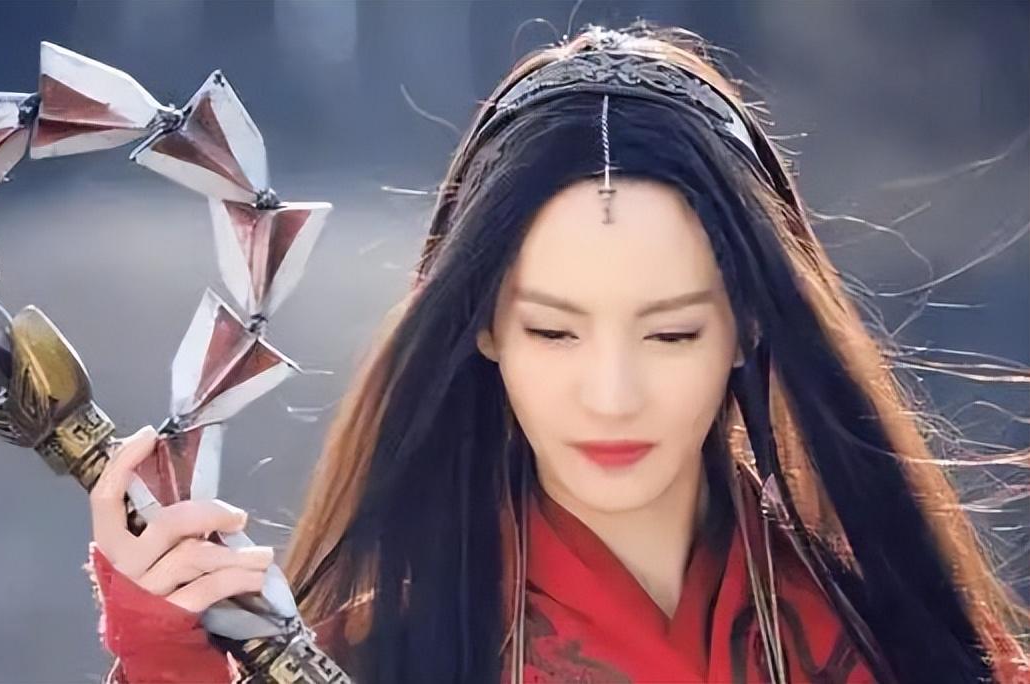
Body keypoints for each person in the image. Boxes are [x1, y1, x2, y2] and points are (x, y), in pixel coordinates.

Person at [83, 22, 1030, 684]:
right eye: (553, 330)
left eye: (671, 333)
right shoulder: (371, 659)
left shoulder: (908, 645)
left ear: (747, 326)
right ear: (484, 327)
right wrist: (170, 662)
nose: (611, 396)